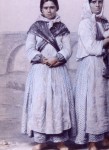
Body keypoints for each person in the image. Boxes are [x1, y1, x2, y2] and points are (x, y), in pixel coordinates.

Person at [21, 0, 76, 150]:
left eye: (52, 7)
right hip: (40, 71)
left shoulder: (62, 28)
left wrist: (57, 58)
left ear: (57, 8)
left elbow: (68, 49)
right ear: (41, 9)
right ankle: (41, 141)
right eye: (46, 8)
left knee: (59, 104)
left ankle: (60, 141)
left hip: (58, 70)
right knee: (40, 104)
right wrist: (43, 59)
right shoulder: (34, 28)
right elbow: (29, 49)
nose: (49, 10)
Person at [74, 0, 109, 149]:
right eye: (93, 2)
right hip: (91, 65)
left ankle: (107, 136)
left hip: (104, 63)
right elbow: (91, 47)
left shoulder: (104, 21)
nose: (97, 5)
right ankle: (92, 141)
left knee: (106, 100)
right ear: (87, 4)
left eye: (100, 2)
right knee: (93, 102)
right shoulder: (84, 23)